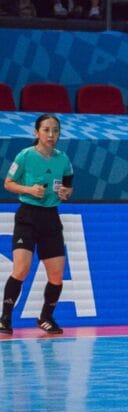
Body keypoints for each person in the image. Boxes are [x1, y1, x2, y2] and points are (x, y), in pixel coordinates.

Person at [1, 114, 74, 336]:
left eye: (55, 130)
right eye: (46, 130)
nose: (51, 135)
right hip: (28, 216)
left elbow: (69, 187)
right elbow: (8, 183)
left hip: (50, 218)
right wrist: (29, 190)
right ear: (36, 133)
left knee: (56, 276)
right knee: (21, 269)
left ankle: (45, 317)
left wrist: (65, 193)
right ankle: (5, 318)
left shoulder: (63, 160)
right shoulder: (25, 156)